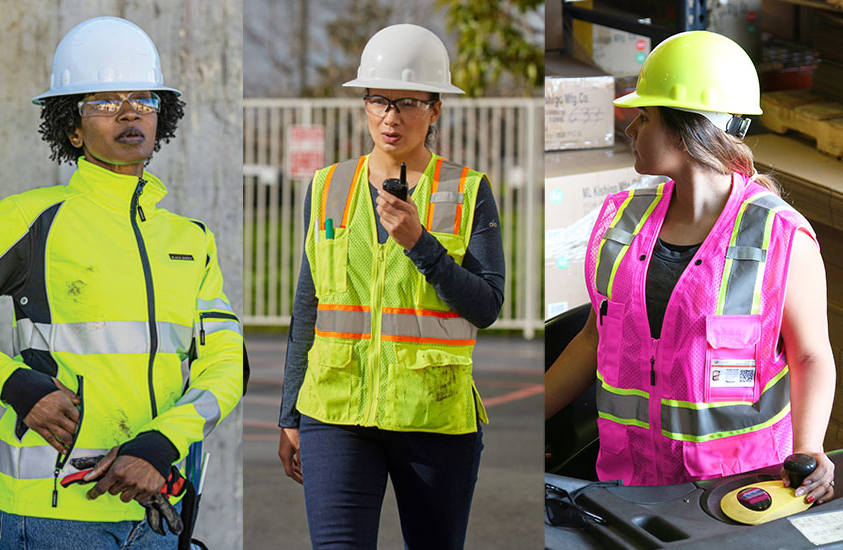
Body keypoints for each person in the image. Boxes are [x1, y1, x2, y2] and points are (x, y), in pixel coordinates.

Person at [0, 16, 243, 550]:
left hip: (157, 505)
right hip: (53, 515)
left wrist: (162, 443)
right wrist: (15, 384)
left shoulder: (192, 239)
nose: (129, 112)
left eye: (143, 99)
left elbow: (225, 361)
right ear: (72, 128)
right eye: (103, 102)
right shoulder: (30, 220)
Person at [544, 31, 836, 505]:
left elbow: (810, 356)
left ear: (687, 130)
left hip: (737, 492)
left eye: (644, 116)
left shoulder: (780, 236)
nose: (630, 129)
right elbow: (593, 340)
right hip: (627, 485)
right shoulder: (621, 223)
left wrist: (808, 448)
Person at [277, 23, 506, 550]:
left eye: (407, 102)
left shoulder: (466, 189)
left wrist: (420, 242)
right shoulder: (328, 185)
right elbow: (307, 309)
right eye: (378, 99)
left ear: (435, 109)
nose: (390, 116)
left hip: (432, 414)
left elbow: (487, 305)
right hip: (334, 412)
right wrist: (290, 412)